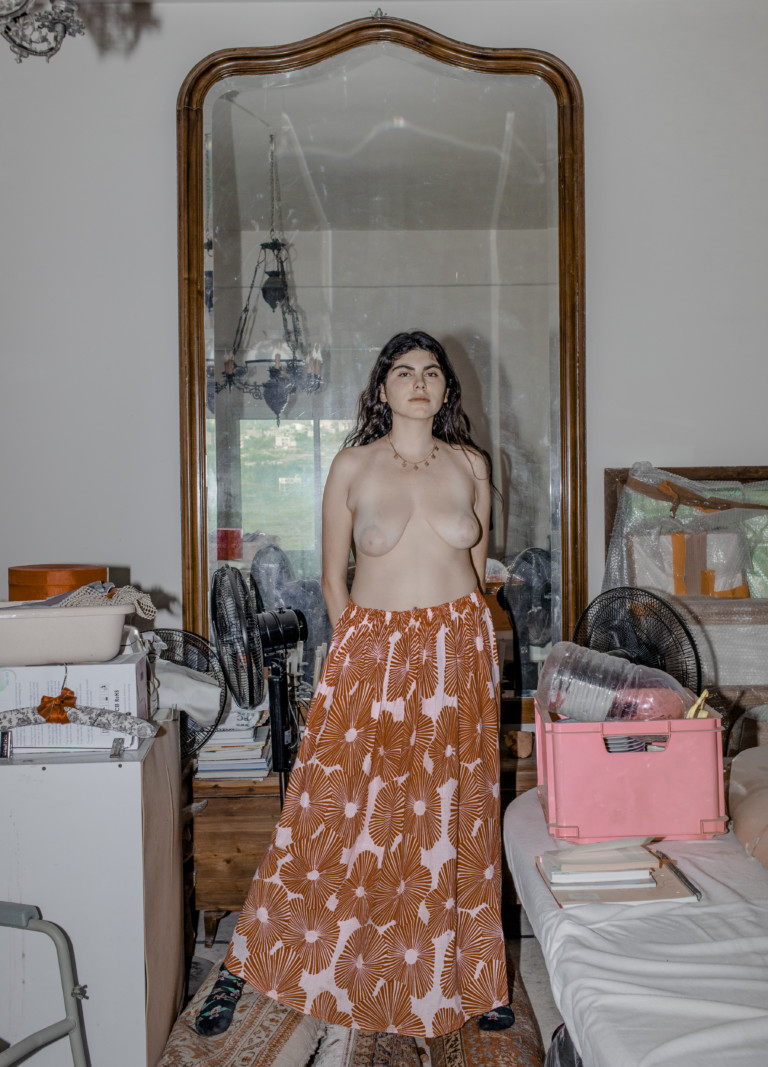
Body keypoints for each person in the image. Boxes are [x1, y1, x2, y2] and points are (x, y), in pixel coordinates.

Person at [196, 330, 514, 1039]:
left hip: (458, 650)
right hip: (375, 650)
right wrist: (357, 655)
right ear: (382, 388)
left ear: (446, 388)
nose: (419, 382)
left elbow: (478, 571)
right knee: (332, 809)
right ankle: (251, 962)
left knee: (454, 812)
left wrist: (478, 650)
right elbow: (332, 578)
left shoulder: (471, 464)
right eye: (404, 371)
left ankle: (474, 977)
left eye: (431, 371)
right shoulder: (353, 465)